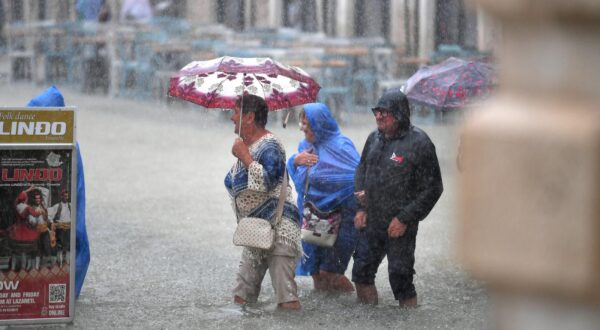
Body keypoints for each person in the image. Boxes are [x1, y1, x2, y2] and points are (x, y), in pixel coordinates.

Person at [352, 89, 443, 307]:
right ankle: (368, 321)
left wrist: (405, 218)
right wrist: (361, 207)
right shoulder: (373, 138)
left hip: (400, 223)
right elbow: (361, 170)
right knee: (361, 272)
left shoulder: (419, 143)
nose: (378, 116)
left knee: (400, 277)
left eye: (385, 112)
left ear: (400, 114)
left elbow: (433, 188)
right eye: (377, 111)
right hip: (372, 218)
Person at [224, 94, 302, 310]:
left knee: (286, 299)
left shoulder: (270, 146)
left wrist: (245, 157)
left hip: (280, 229)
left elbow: (267, 182)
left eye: (235, 112)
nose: (231, 117)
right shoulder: (249, 145)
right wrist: (244, 153)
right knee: (241, 296)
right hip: (255, 230)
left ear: (249, 117)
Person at [287, 103, 360, 292]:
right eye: (301, 123)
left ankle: (354, 308)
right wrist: (295, 161)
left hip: (342, 218)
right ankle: (324, 313)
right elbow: (299, 181)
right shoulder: (306, 146)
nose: (302, 128)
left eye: (306, 124)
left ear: (319, 124)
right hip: (312, 217)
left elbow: (356, 180)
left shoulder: (342, 145)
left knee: (332, 274)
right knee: (316, 274)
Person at [27, 85, 90, 298]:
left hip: (59, 223)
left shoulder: (68, 147)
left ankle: (59, 294)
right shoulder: (69, 145)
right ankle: (65, 293)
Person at [28, 189, 56, 269]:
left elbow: (48, 217)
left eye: (39, 198)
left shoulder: (44, 207)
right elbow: (31, 221)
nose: (37, 200)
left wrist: (51, 222)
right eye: (36, 198)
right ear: (34, 199)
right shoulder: (31, 208)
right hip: (36, 231)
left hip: (44, 230)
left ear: (40, 199)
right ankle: (36, 268)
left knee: (47, 247)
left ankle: (46, 266)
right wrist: (35, 217)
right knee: (37, 250)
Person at [49, 188, 72, 267]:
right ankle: (60, 264)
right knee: (60, 247)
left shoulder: (70, 206)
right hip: (60, 229)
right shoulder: (57, 206)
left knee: (69, 246)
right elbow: (49, 216)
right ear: (61, 196)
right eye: (64, 196)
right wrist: (52, 223)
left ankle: (67, 263)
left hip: (69, 228)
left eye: (67, 196)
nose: (66, 198)